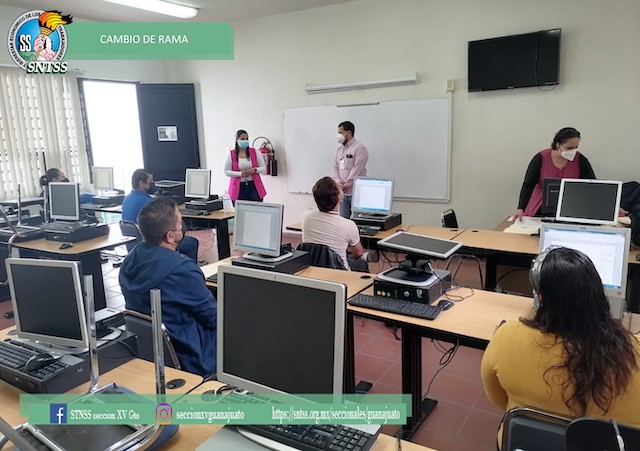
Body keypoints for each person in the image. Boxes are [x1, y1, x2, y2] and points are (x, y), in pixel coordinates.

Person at [481, 247, 640, 444]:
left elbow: (497, 399)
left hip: (528, 444)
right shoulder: (635, 352)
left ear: (540, 300)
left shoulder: (506, 338)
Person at [119, 197, 217, 377]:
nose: (183, 226)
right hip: (195, 357)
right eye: (180, 222)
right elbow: (214, 318)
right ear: (170, 236)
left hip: (153, 354)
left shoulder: (129, 261)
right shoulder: (182, 270)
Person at [513, 127, 596, 220]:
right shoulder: (541, 158)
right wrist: (521, 208)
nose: (573, 151)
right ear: (558, 145)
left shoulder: (580, 160)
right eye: (569, 148)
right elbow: (528, 185)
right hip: (540, 208)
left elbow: (592, 185)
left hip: (571, 208)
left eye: (575, 147)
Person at [121, 169, 199, 261]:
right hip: (151, 243)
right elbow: (163, 223)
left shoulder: (126, 199)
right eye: (150, 181)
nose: (153, 183)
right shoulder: (148, 203)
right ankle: (186, 266)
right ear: (142, 183)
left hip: (134, 243)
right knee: (191, 243)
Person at [302, 176, 368, 272]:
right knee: (361, 263)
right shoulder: (349, 225)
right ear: (340, 197)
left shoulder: (306, 216)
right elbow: (358, 252)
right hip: (338, 271)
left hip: (312, 270)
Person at [332, 121, 368, 218]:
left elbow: (357, 170)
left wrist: (346, 185)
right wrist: (338, 182)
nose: (338, 135)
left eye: (341, 133)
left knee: (357, 220)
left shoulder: (359, 148)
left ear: (348, 133)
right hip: (343, 193)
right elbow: (335, 167)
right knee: (343, 220)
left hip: (356, 192)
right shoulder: (339, 150)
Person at [224, 129, 266, 204]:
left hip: (254, 186)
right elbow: (226, 171)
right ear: (237, 140)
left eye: (247, 139)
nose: (245, 141)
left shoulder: (255, 152)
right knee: (240, 208)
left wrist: (255, 170)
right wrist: (240, 174)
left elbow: (263, 168)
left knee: (256, 208)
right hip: (238, 187)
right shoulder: (231, 154)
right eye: (242, 139)